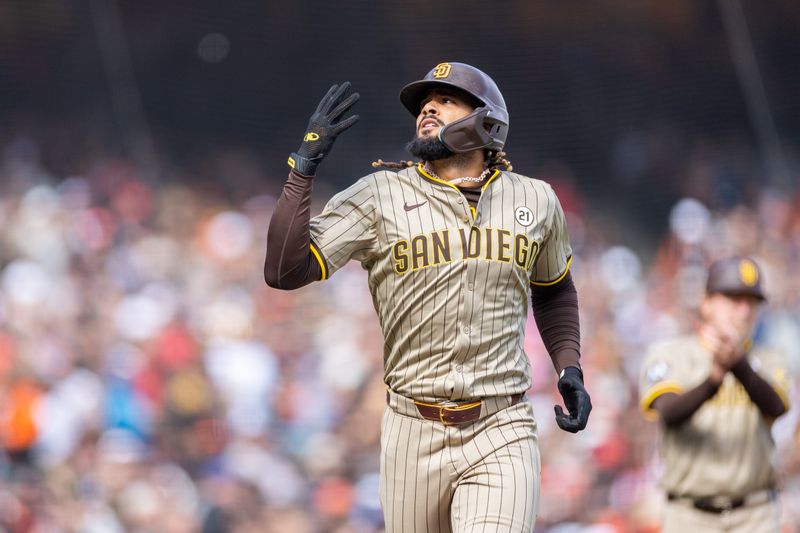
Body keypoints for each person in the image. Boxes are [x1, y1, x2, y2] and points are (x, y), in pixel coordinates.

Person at [264, 61, 592, 532]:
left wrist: (570, 367)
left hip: (501, 423)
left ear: (488, 120)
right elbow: (283, 270)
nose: (428, 109)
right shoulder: (380, 195)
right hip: (411, 428)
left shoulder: (536, 199)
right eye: (423, 104)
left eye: (446, 99)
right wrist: (304, 168)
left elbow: (554, 288)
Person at [639, 256, 792, 533]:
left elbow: (777, 407)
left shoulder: (770, 359)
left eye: (752, 302)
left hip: (755, 514)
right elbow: (669, 413)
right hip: (689, 516)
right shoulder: (671, 354)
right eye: (734, 299)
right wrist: (713, 380)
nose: (744, 311)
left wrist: (739, 366)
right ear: (705, 303)